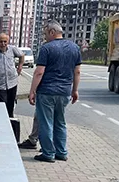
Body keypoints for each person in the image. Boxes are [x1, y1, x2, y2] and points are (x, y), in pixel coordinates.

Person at [28, 20, 81, 162]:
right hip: (64, 92)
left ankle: (48, 153)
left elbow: (39, 72)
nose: (45, 37)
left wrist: (32, 91)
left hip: (47, 91)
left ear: (52, 32)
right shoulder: (74, 48)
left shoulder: (46, 48)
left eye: (46, 33)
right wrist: (74, 90)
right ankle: (61, 152)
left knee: (46, 123)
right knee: (60, 122)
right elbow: (77, 72)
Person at [0, 33, 25, 118]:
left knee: (11, 105)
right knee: (2, 105)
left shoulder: (12, 49)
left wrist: (20, 66)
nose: (3, 44)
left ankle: (10, 121)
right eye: (1, 42)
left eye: (5, 41)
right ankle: (3, 122)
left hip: (12, 82)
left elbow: (22, 55)